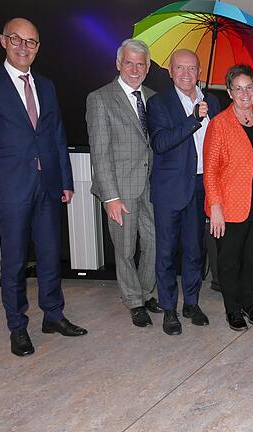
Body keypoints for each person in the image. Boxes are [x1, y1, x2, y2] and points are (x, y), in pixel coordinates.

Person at [0, 18, 87, 357]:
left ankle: (53, 315)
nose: (23, 47)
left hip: (47, 185)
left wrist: (65, 180)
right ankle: (17, 327)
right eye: (17, 39)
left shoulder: (46, 86)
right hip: (9, 189)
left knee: (50, 257)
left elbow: (56, 135)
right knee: (16, 262)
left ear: (38, 48)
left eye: (31, 42)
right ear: (3, 40)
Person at [86, 39, 162, 328]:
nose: (134, 68)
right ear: (118, 64)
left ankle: (144, 292)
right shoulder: (100, 99)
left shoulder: (154, 98)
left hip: (152, 187)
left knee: (155, 244)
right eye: (128, 63)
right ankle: (133, 301)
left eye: (140, 64)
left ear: (148, 67)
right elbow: (100, 152)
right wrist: (110, 197)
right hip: (120, 190)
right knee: (126, 249)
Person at [146, 49, 221, 335]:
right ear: (170, 72)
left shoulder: (211, 100)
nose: (186, 74)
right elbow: (161, 143)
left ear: (200, 71)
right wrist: (192, 119)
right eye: (180, 68)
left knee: (194, 251)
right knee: (166, 253)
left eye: (192, 68)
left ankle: (191, 303)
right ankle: (169, 309)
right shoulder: (158, 103)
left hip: (202, 186)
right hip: (169, 190)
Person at [203, 65, 253, 331]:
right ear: (230, 93)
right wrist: (215, 208)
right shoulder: (219, 124)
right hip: (229, 208)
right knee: (230, 262)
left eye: (249, 87)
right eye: (238, 88)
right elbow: (210, 171)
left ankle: (249, 302)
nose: (245, 93)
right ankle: (232, 309)